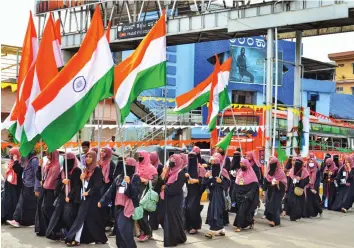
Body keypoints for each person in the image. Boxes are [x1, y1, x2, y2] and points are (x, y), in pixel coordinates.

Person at [65, 150, 107, 246]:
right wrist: (81, 179)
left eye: (90, 157)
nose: (88, 158)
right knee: (82, 218)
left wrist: (89, 192)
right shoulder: (85, 170)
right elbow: (81, 185)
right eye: (87, 156)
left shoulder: (96, 170)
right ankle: (77, 239)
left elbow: (98, 185)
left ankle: (80, 239)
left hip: (92, 198)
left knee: (90, 219)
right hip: (84, 198)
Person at [99, 158, 139, 248]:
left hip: (128, 207)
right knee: (119, 231)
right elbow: (111, 191)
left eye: (127, 164)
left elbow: (135, 194)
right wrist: (102, 201)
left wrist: (129, 183)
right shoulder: (119, 177)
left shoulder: (135, 177)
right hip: (118, 206)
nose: (125, 166)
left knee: (125, 230)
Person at [46, 152, 82, 240]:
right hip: (62, 195)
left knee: (68, 216)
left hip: (71, 198)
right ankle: (55, 233)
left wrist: (69, 196)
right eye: (66, 160)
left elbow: (77, 186)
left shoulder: (76, 170)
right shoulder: (63, 170)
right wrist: (62, 182)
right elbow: (57, 181)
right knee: (58, 215)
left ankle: (70, 234)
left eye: (69, 160)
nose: (67, 162)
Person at [7, 151, 40, 227]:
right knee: (21, 202)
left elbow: (37, 175)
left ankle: (31, 222)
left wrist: (36, 188)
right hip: (25, 184)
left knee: (30, 205)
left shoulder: (34, 161)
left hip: (31, 186)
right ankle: (16, 219)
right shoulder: (27, 160)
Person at [160, 154, 187, 247]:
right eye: (170, 160)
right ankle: (180, 237)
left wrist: (166, 188)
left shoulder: (180, 173)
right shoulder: (169, 172)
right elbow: (162, 182)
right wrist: (164, 173)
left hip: (175, 198)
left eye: (173, 160)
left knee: (174, 218)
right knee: (169, 218)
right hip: (168, 197)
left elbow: (177, 187)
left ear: (178, 162)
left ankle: (172, 240)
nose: (171, 162)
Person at [35, 150, 61, 236]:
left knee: (47, 209)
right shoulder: (47, 164)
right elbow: (39, 176)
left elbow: (53, 179)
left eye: (50, 153)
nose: (48, 155)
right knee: (40, 208)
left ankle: (53, 230)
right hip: (44, 188)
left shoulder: (56, 166)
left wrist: (45, 182)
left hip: (51, 190)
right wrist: (39, 166)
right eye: (47, 153)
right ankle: (42, 229)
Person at [204, 155, 230, 239]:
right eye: (211, 162)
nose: (211, 163)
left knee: (216, 212)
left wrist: (221, 181)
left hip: (220, 196)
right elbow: (207, 184)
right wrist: (206, 178)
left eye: (212, 162)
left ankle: (212, 231)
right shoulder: (211, 172)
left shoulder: (223, 172)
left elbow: (228, 185)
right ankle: (221, 230)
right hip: (212, 195)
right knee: (214, 211)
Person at [135, 150, 158, 242]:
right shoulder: (137, 166)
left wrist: (146, 180)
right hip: (137, 192)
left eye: (141, 155)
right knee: (138, 214)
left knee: (143, 215)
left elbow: (155, 180)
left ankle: (147, 233)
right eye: (139, 155)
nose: (139, 157)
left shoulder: (152, 168)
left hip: (145, 193)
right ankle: (144, 232)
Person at [233, 158, 259, 232]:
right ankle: (250, 221)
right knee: (241, 210)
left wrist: (248, 195)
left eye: (243, 164)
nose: (241, 166)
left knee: (242, 210)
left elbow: (254, 186)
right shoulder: (239, 172)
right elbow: (236, 184)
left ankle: (239, 226)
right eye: (241, 164)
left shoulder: (251, 174)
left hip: (247, 197)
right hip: (239, 195)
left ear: (247, 164)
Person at [184, 152, 206, 234]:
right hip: (187, 191)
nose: (190, 159)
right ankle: (187, 226)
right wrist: (185, 176)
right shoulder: (186, 168)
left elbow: (204, 181)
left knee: (193, 209)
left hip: (196, 191)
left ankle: (195, 226)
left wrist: (196, 181)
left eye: (192, 157)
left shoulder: (200, 168)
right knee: (186, 208)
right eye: (189, 157)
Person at [263, 157, 287, 227]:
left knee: (275, 205)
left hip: (278, 191)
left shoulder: (281, 172)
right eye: (271, 164)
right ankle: (274, 220)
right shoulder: (269, 171)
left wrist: (278, 182)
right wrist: (264, 189)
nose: (272, 166)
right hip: (270, 190)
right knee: (269, 204)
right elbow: (266, 180)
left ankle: (273, 221)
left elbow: (285, 183)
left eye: (273, 164)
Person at [2, 148, 23, 224]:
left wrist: (16, 160)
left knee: (14, 201)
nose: (11, 156)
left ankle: (12, 217)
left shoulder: (20, 162)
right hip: (9, 184)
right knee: (6, 201)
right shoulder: (10, 162)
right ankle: (5, 217)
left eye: (13, 154)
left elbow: (18, 170)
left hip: (16, 185)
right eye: (10, 155)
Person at [99, 147, 116, 230]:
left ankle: (108, 223)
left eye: (104, 151)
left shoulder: (111, 164)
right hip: (100, 186)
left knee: (106, 205)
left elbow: (113, 177)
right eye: (101, 151)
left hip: (108, 187)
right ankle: (102, 222)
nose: (102, 153)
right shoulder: (99, 163)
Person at [303, 154, 322, 218]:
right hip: (306, 186)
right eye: (309, 162)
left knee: (314, 201)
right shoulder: (306, 168)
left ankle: (319, 210)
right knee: (307, 200)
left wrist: (315, 188)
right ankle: (307, 213)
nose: (311, 163)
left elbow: (318, 180)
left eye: (312, 162)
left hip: (313, 187)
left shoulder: (317, 170)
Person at [149, 151, 164, 230]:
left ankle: (154, 224)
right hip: (150, 188)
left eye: (152, 158)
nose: (150, 160)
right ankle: (151, 223)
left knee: (155, 207)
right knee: (150, 206)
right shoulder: (149, 165)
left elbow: (162, 178)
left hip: (157, 189)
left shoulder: (160, 166)